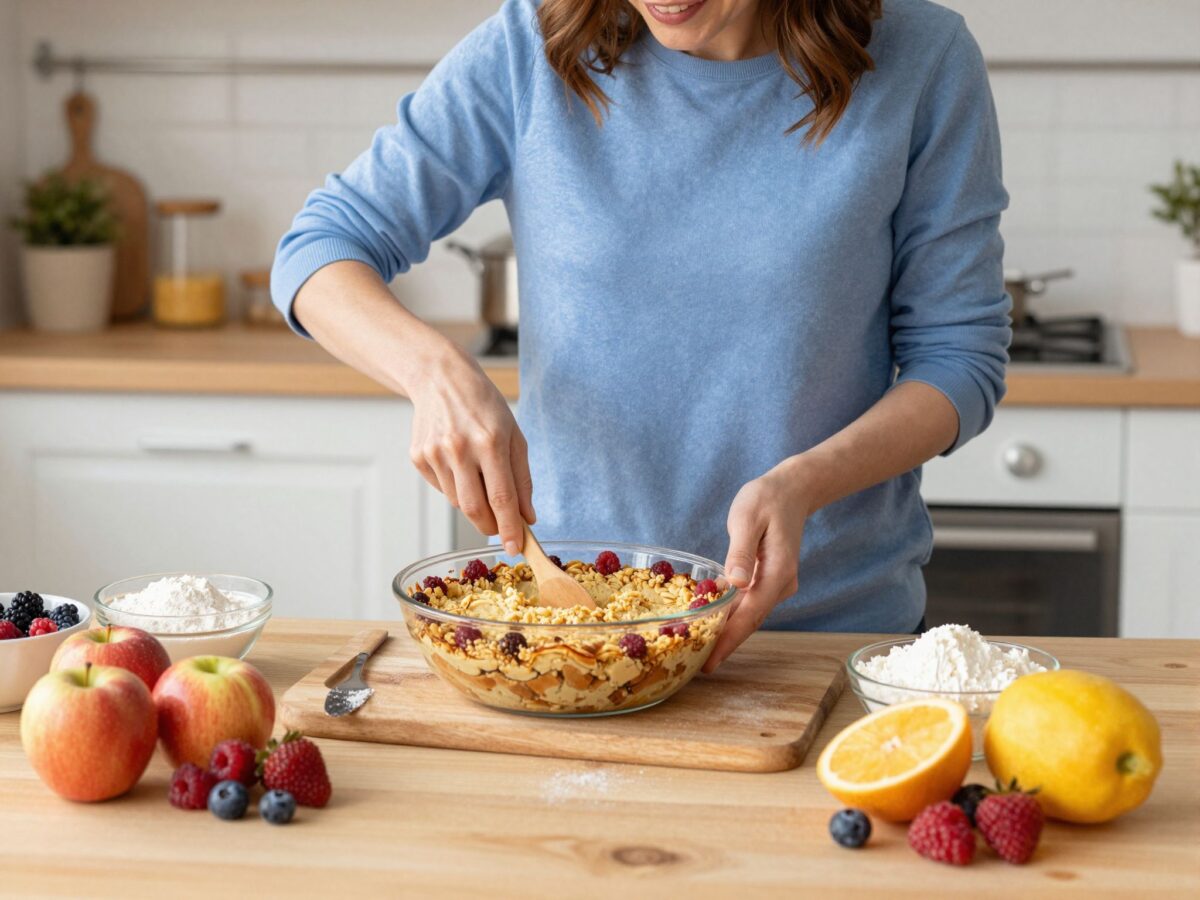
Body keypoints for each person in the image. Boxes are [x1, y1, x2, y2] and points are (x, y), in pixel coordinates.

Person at [271, 0, 1009, 670]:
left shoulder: (923, 57)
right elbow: (320, 248)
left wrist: (804, 483)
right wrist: (432, 372)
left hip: (826, 639)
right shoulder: (530, 48)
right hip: (573, 635)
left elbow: (960, 357)